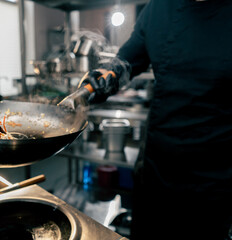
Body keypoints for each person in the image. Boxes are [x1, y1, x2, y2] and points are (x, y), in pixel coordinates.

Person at [81, 0, 232, 239]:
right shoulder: (160, 8)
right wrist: (105, 76)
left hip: (214, 185)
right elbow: (127, 61)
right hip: (156, 174)